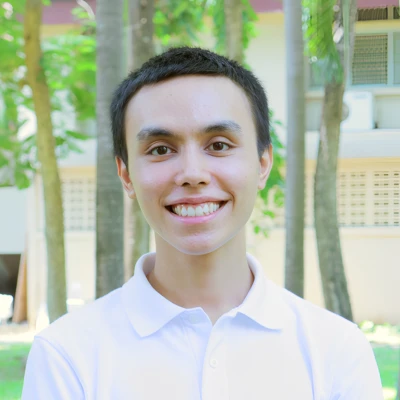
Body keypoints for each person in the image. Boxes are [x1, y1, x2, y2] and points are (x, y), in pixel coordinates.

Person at [22, 47, 383, 399]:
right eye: (161, 149)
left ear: (262, 163)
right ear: (126, 175)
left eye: (219, 145)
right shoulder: (66, 356)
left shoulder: (338, 351)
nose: (192, 174)